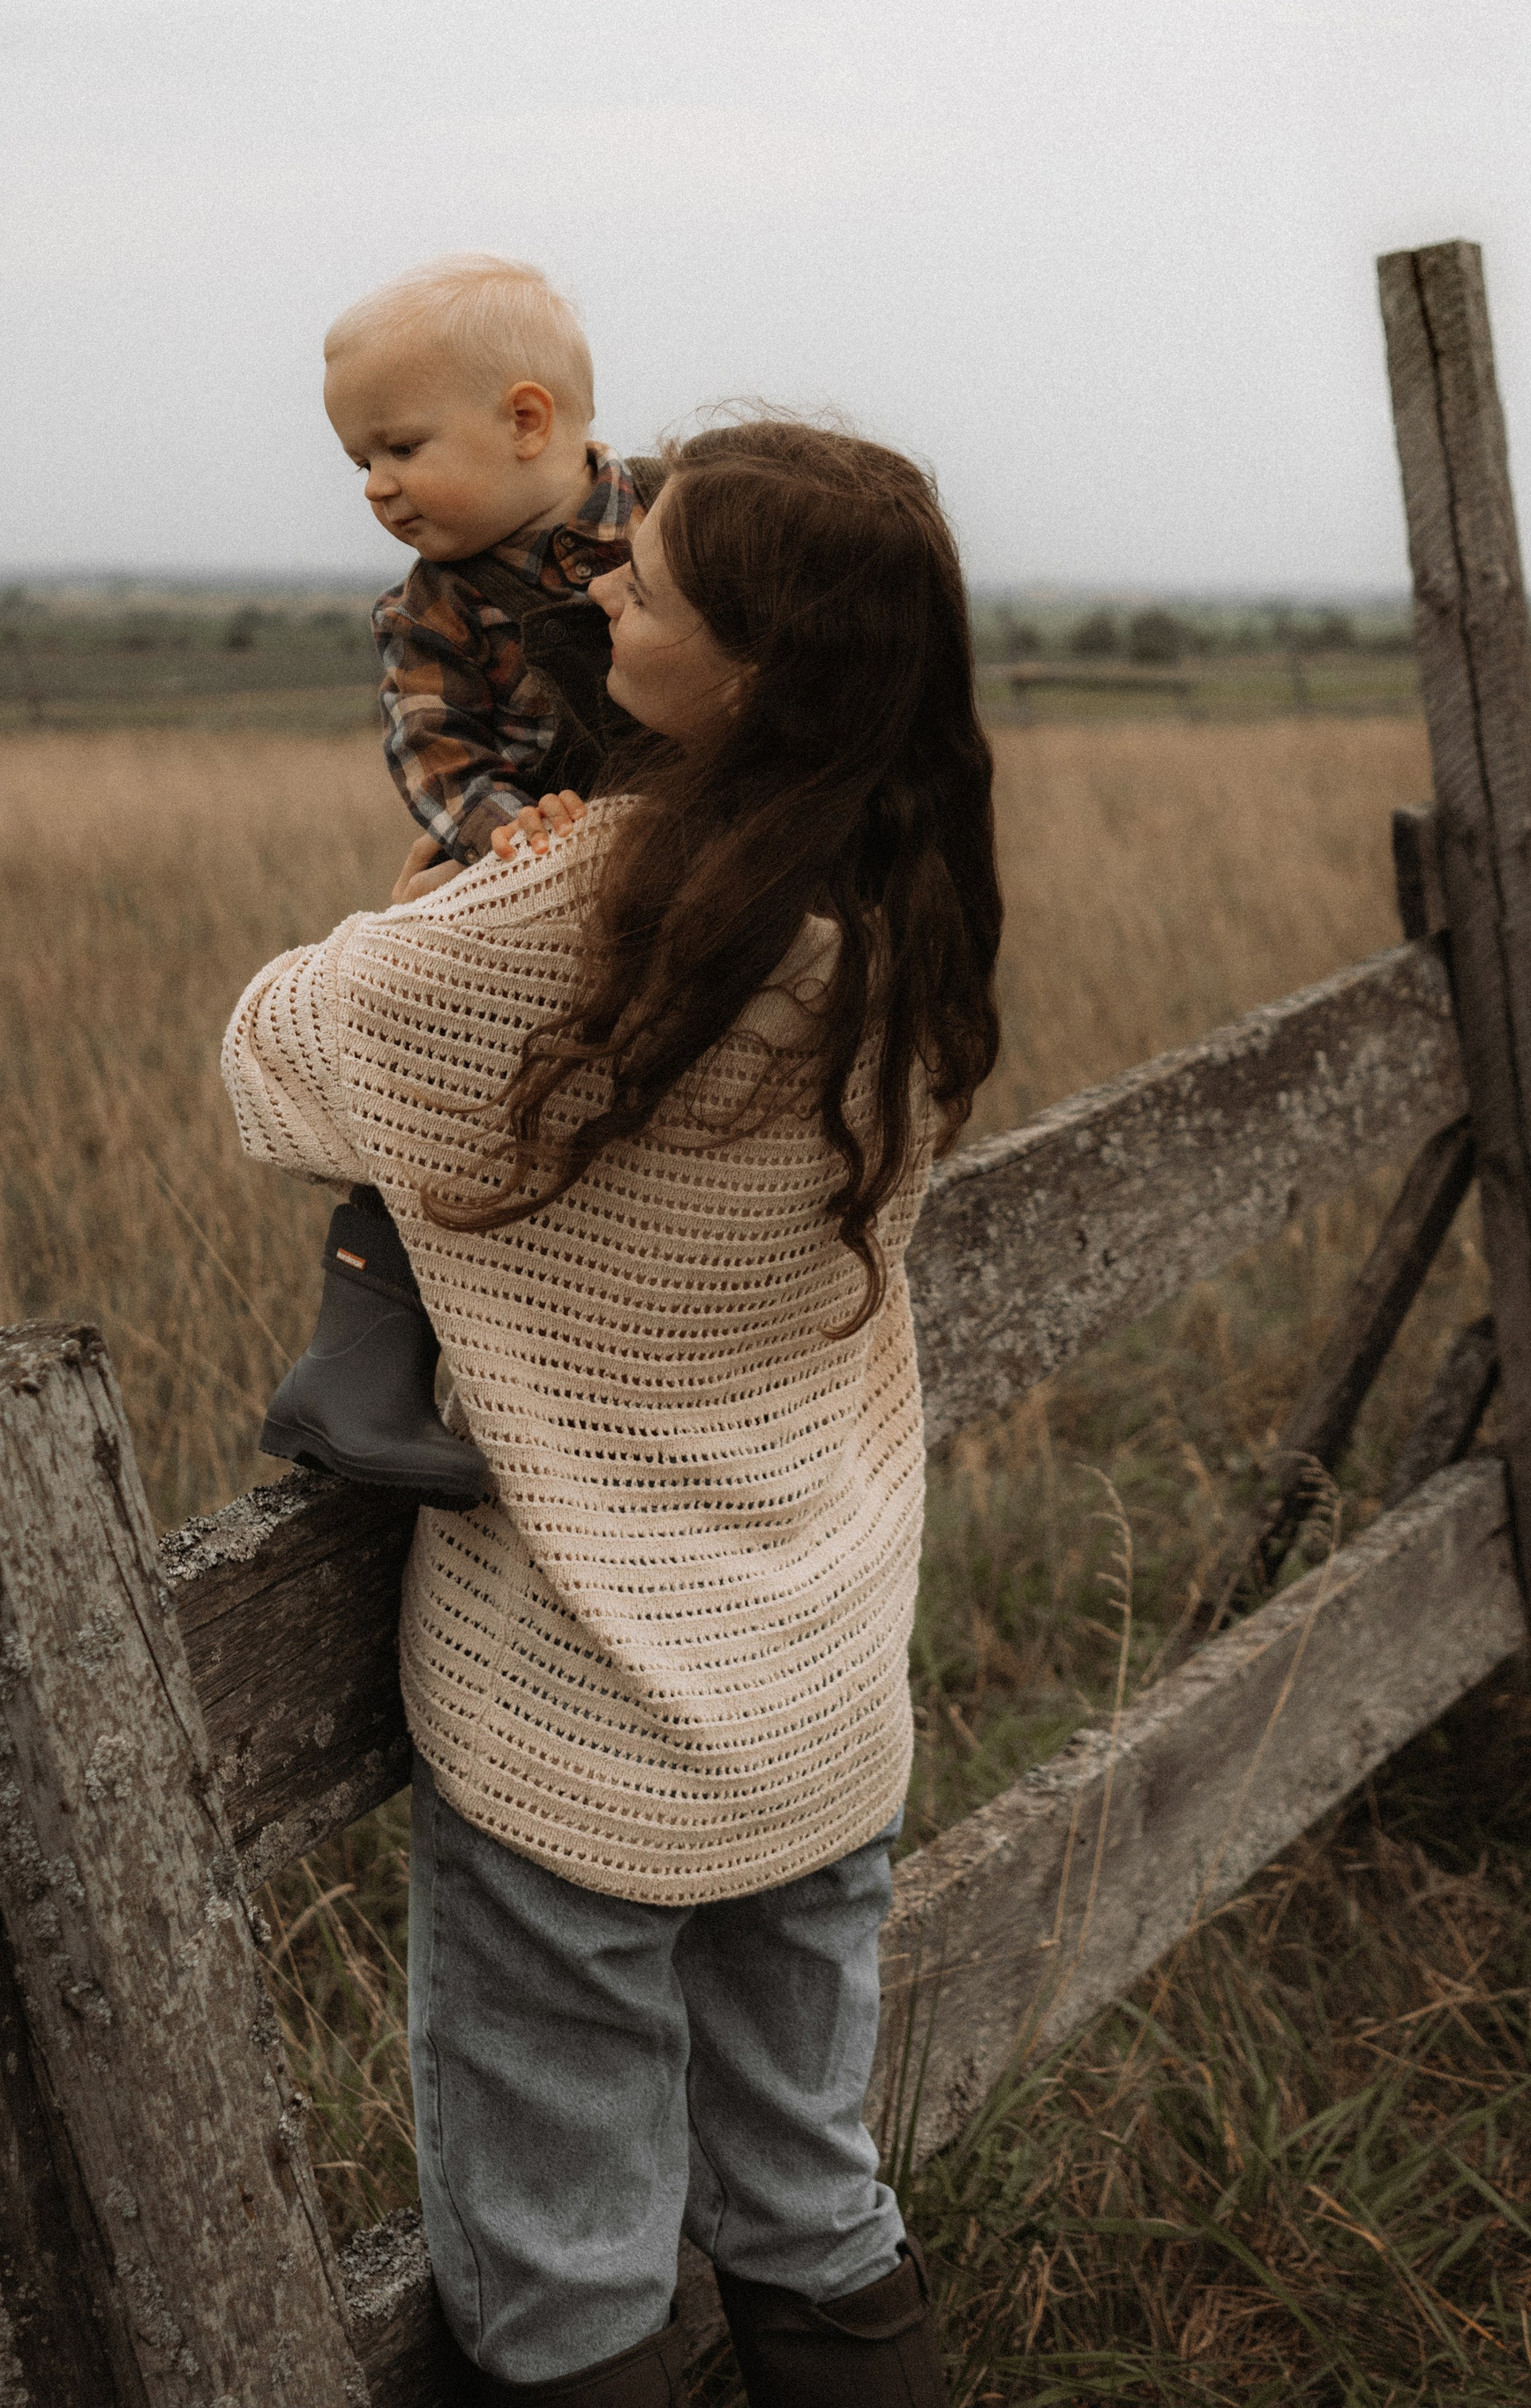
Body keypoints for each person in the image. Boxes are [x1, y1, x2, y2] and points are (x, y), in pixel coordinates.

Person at [221, 420, 1002, 2406]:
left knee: (563, 2268)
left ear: (745, 664)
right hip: (817, 1667)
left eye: (640, 581)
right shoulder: (911, 903)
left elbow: (276, 1053)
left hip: (575, 1692)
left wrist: (439, 888)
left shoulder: (587, 897)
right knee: (812, 2195)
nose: (595, 587)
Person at [261, 257, 664, 1507]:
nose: (374, 486)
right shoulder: (429, 608)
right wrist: (505, 832)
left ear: (527, 419)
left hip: (669, 841)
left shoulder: (677, 520)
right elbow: (435, 756)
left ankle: (594, 1377)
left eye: (399, 447)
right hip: (521, 864)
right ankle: (358, 1366)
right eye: (357, 461)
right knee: (436, 1072)